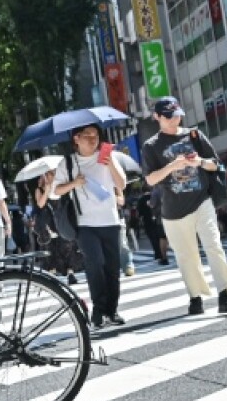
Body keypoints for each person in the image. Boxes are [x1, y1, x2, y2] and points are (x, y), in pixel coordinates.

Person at [141, 97, 227, 315]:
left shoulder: (194, 135)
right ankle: (195, 297)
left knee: (214, 245)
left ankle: (225, 294)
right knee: (187, 256)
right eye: (168, 116)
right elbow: (150, 179)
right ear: (157, 117)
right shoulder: (151, 146)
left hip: (201, 200)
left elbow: (215, 164)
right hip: (172, 210)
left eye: (176, 114)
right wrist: (173, 165)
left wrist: (200, 162)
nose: (174, 119)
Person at [52, 124, 128, 328]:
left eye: (95, 135)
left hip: (110, 221)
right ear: (76, 138)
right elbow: (55, 191)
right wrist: (73, 184)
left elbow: (121, 184)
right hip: (85, 224)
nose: (93, 139)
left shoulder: (106, 157)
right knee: (95, 264)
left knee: (112, 268)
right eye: (87, 136)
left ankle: (111, 311)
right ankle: (98, 309)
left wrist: (110, 162)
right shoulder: (67, 162)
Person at [31, 172, 82, 282]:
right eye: (48, 174)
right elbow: (40, 204)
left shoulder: (61, 186)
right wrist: (47, 191)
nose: (51, 176)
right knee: (50, 248)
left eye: (53, 173)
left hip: (62, 219)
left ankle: (70, 273)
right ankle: (52, 274)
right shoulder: (39, 190)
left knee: (67, 245)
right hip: (47, 222)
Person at [135, 187, 169, 265]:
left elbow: (139, 212)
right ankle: (163, 255)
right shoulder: (160, 191)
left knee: (153, 238)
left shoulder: (142, 199)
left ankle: (159, 254)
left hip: (147, 220)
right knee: (162, 237)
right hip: (160, 217)